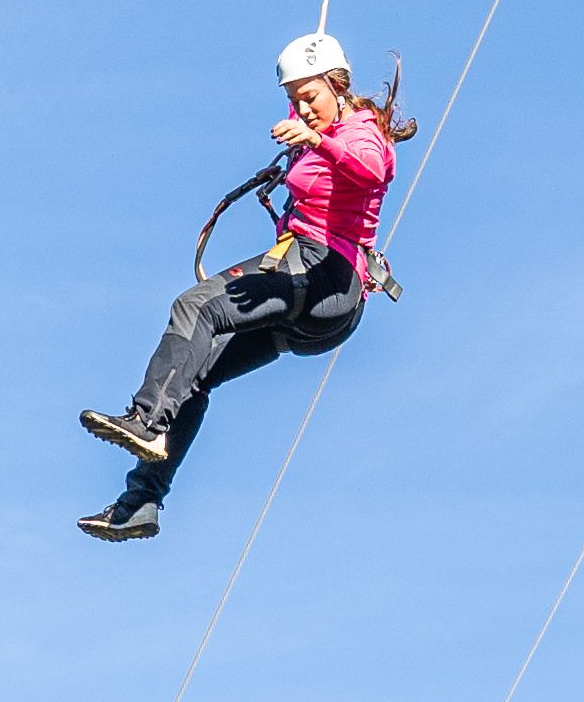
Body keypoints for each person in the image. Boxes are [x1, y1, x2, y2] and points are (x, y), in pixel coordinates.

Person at [80, 33, 409, 542]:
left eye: (312, 96)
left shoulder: (362, 132)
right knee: (197, 370)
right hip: (320, 310)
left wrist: (316, 139)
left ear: (337, 86)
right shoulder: (318, 131)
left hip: (324, 273)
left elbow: (371, 169)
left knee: (196, 308)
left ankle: (146, 420)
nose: (303, 107)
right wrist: (307, 142)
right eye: (294, 98)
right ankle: (140, 502)